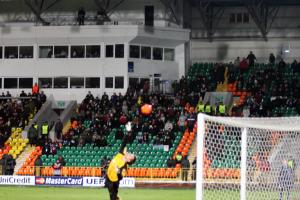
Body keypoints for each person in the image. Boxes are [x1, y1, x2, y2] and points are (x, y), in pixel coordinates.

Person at [105, 122, 136, 200]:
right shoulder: (121, 154)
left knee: (113, 197)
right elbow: (124, 142)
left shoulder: (125, 166)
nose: (129, 153)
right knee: (113, 197)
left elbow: (121, 177)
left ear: (129, 160)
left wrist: (118, 171)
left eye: (131, 155)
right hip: (108, 176)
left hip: (113, 182)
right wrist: (128, 132)